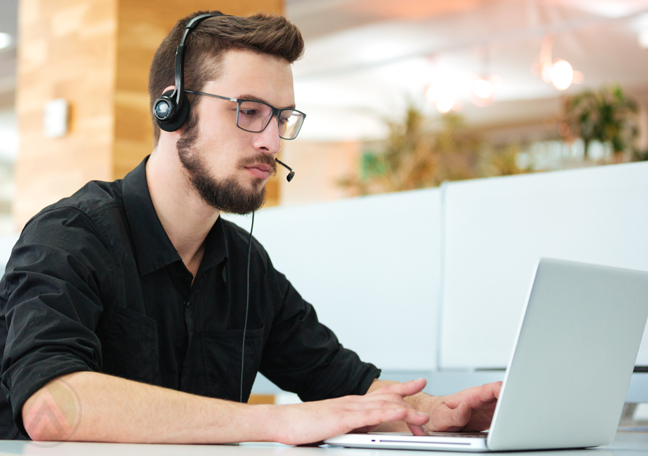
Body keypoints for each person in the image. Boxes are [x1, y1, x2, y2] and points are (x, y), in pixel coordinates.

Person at [0, 11, 501, 443]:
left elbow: (344, 386)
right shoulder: (68, 238)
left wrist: (439, 414)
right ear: (172, 109)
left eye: (282, 118)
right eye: (250, 111)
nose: (272, 142)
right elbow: (52, 409)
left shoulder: (244, 264)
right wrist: (271, 423)